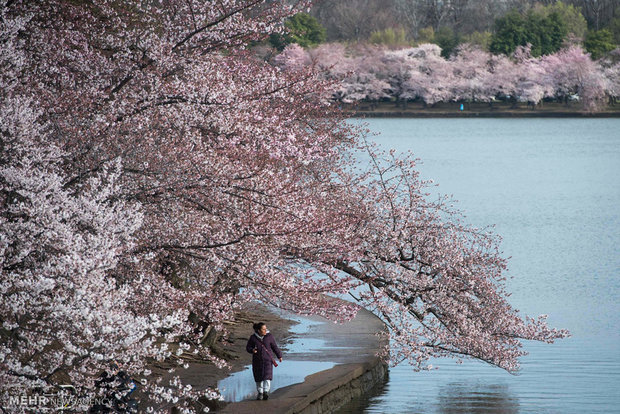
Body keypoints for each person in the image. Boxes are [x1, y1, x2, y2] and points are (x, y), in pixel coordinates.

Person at [246, 322, 283, 400]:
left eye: (266, 329)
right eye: (263, 329)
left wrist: (279, 356)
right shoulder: (253, 338)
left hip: (268, 360)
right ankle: (260, 392)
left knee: (267, 377)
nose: (265, 330)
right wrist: (252, 350)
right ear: (259, 330)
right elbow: (248, 347)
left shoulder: (269, 336)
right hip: (257, 361)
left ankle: (266, 392)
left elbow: (274, 347)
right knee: (258, 377)